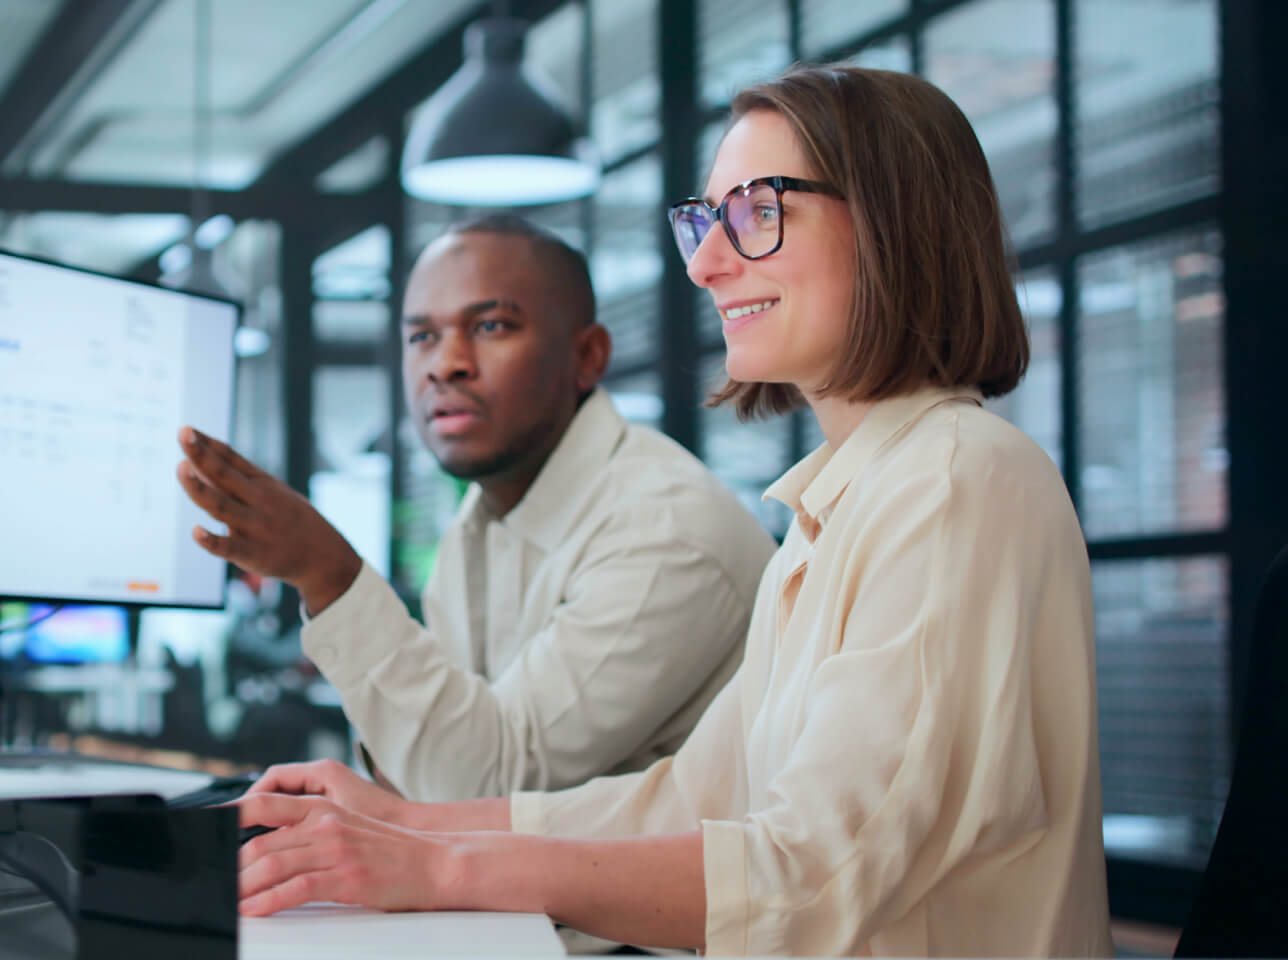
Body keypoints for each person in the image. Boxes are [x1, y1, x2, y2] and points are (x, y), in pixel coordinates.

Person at [222, 64, 1116, 958]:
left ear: (893, 223)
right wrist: (412, 825)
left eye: (758, 211)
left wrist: (438, 864)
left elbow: (813, 878)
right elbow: (692, 799)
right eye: (706, 220)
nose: (704, 263)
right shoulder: (836, 507)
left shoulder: (953, 481)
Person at [177, 214, 776, 805]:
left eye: (491, 326)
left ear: (588, 356)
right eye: (422, 337)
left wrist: (327, 574)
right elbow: (442, 756)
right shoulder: (483, 519)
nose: (446, 364)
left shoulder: (664, 532)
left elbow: (488, 788)